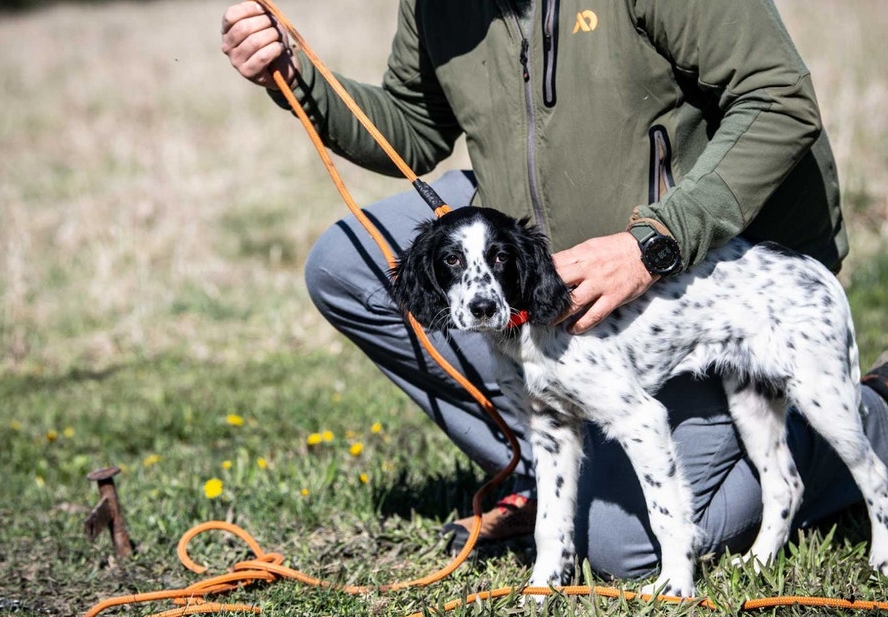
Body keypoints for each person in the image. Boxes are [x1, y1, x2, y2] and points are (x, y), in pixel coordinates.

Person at [221, 0, 888, 581]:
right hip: (529, 260)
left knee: (626, 550)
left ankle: (862, 418)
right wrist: (293, 73)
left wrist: (656, 242)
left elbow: (779, 100)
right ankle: (549, 457)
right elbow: (412, 124)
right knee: (347, 264)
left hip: (711, 269)